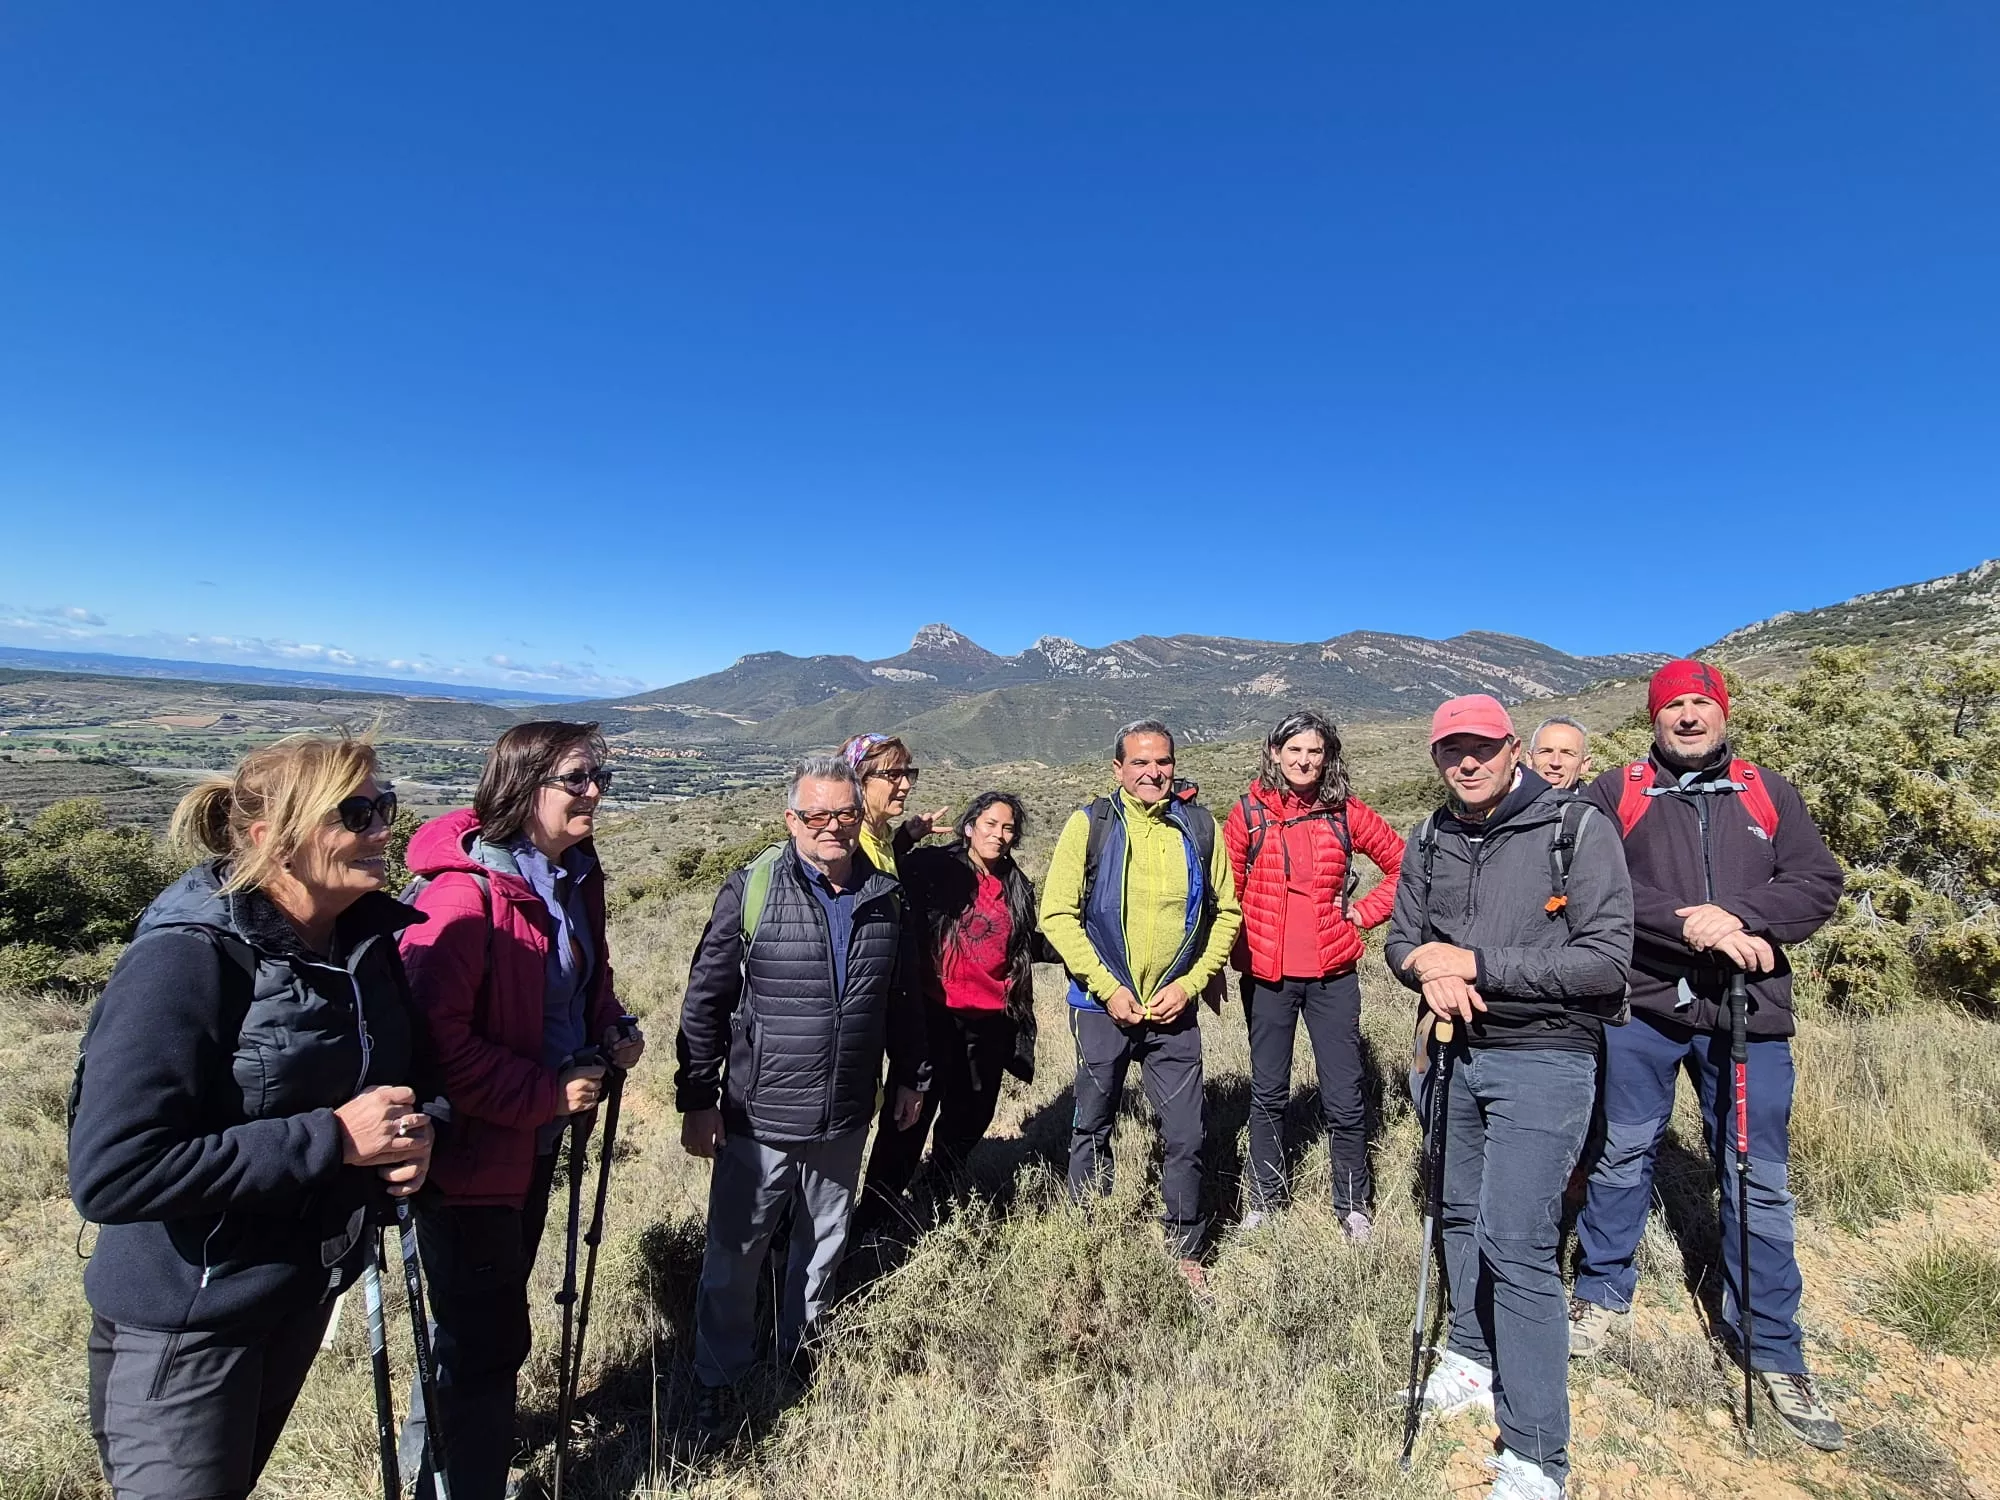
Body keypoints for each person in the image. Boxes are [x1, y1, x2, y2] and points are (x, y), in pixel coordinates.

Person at [70, 734, 433, 1500]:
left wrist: (416, 1129)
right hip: (189, 1323)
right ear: (276, 840)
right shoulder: (187, 957)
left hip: (294, 1291)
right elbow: (114, 1171)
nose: (383, 830)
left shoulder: (361, 944)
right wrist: (334, 1138)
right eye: (357, 812)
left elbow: (395, 1083)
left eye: (385, 807)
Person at [1567, 660, 1847, 1451]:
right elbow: (1593, 884)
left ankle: (1771, 1344)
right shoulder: (1616, 793)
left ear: (1722, 713)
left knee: (1757, 1174)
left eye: (1701, 704)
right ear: (1653, 718)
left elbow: (1817, 881)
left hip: (1748, 1012)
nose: (1688, 717)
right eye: (1674, 706)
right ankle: (1601, 1294)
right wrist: (1685, 925)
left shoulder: (1769, 791)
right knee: (1623, 1151)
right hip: (1644, 1005)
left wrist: (1742, 917)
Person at [1386, 694, 1632, 1500]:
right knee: (1457, 1211)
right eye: (1450, 749)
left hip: (1546, 1058)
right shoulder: (1429, 835)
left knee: (1519, 1245)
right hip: (1453, 1058)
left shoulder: (1576, 829)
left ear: (1513, 747)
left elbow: (1604, 964)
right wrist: (1426, 967)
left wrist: (1475, 966)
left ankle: (1535, 1456)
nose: (1467, 762)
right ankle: (1471, 1357)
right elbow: (1400, 938)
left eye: (1482, 747)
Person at [397, 721, 645, 1500]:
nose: (594, 791)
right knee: (485, 1335)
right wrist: (546, 1093)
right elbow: (437, 1049)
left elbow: (585, 978)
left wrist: (610, 1025)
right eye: (576, 778)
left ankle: (439, 1459)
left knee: (480, 1321)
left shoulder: (574, 874)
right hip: (471, 1157)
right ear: (521, 785)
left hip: (529, 1144)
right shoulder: (458, 898)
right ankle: (456, 1480)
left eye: (597, 775)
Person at [675, 754, 927, 1437]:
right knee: (736, 1254)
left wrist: (911, 1074)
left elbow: (903, 1000)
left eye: (845, 814)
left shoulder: (884, 897)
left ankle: (798, 1360)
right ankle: (718, 1379)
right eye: (816, 815)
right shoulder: (753, 889)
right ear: (792, 819)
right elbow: (706, 1000)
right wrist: (697, 1098)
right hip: (759, 1115)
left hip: (845, 1113)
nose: (832, 827)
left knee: (822, 1245)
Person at [1040, 719, 1242, 1294]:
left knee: (1186, 1131)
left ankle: (1184, 1245)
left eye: (1164, 762)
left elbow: (1227, 913)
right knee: (1093, 1122)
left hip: (1173, 1008)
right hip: (1103, 1007)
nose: (1154, 773)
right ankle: (1090, 1238)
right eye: (1141, 763)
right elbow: (1057, 914)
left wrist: (1194, 981)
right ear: (1119, 769)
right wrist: (1108, 988)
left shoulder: (1199, 827)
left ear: (1175, 765)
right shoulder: (1091, 826)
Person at [1224, 709, 1405, 1240]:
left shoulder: (1344, 812)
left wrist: (1363, 915)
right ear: (1275, 752)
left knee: (1344, 1092)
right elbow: (1228, 894)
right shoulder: (1249, 814)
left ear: (1328, 757)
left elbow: (1403, 865)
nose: (1304, 761)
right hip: (1267, 975)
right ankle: (1264, 1199)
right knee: (1269, 1091)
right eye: (1294, 750)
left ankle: (1353, 1204)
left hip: (1333, 974)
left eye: (1315, 751)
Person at [856, 791, 1048, 1233]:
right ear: (969, 827)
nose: (999, 835)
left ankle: (934, 1197)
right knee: (908, 1121)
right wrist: (905, 837)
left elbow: (1021, 943)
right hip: (934, 1017)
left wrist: (1072, 948)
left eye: (1008, 828)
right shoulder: (935, 866)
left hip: (991, 1024)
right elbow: (880, 872)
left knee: (971, 1117)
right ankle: (874, 1218)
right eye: (990, 825)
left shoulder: (1016, 885)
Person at [839, 732, 948, 877]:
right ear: (859, 780)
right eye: (893, 775)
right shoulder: (845, 846)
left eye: (908, 774)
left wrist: (905, 837)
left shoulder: (882, 836)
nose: (906, 785)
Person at [1528, 715, 1594, 791]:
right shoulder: (1513, 801)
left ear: (1584, 764)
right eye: (1546, 751)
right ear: (1530, 759)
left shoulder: (1597, 802)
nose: (1555, 763)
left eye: (1567, 754)